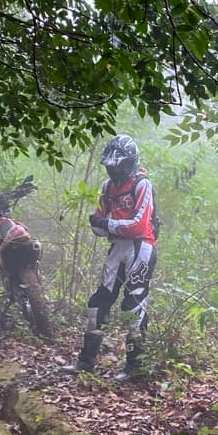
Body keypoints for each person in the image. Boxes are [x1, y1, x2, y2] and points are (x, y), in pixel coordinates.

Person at [62, 134, 157, 379]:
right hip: (116, 248)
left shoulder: (142, 184)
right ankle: (86, 361)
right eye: (111, 165)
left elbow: (138, 225)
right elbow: (96, 224)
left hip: (140, 248)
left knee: (133, 305)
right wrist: (107, 224)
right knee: (98, 303)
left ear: (130, 162)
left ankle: (135, 367)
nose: (115, 169)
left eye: (119, 165)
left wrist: (107, 223)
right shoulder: (107, 187)